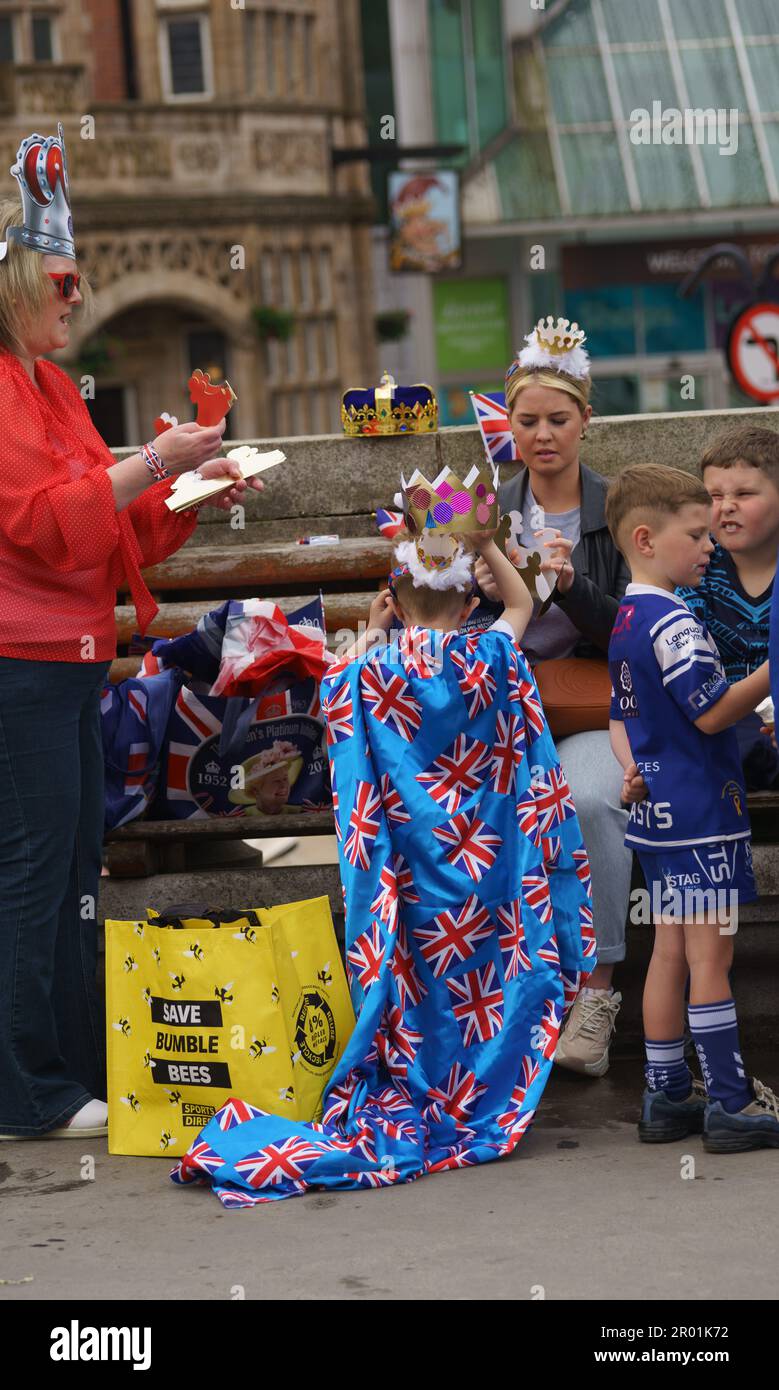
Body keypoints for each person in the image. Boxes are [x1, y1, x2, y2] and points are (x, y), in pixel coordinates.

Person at [171, 504, 594, 1206]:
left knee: (420, 981)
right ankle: (480, 1085)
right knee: (486, 975)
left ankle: (424, 1081)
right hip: (492, 863)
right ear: (470, 603)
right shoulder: (491, 655)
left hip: (408, 871)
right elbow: (521, 603)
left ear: (393, 601)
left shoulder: (365, 670)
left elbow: (339, 712)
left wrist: (372, 630)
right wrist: (486, 543)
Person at [0, 126, 262, 1141]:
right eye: (62, 282)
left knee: (68, 874)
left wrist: (194, 481)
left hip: (63, 665)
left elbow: (112, 526)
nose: (78, 297)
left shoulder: (48, 387)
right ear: (16, 284)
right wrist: (156, 461)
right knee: (35, 877)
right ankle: (27, 1091)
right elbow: (46, 521)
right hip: (20, 668)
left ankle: (61, 1074)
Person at [605, 463, 779, 1152]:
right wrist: (770, 669)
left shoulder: (627, 617)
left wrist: (632, 772)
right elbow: (710, 713)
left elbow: (623, 715)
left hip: (656, 817)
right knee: (711, 955)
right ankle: (732, 1102)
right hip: (702, 814)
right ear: (646, 540)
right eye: (696, 535)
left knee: (669, 951)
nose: (710, 548)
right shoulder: (674, 623)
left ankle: (667, 1094)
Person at [477, 316, 630, 1076]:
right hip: (503, 717)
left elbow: (638, 629)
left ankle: (595, 996)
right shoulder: (480, 512)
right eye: (527, 420)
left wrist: (571, 586)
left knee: (591, 801)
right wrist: (472, 594)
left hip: (594, 710)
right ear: (507, 425)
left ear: (585, 421)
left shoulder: (619, 509)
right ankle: (478, 1005)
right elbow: (442, 627)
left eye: (558, 420)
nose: (542, 435)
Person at [676, 426, 779, 788]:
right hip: (722, 720)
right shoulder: (694, 569)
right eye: (714, 496)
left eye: (745, 494)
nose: (727, 506)